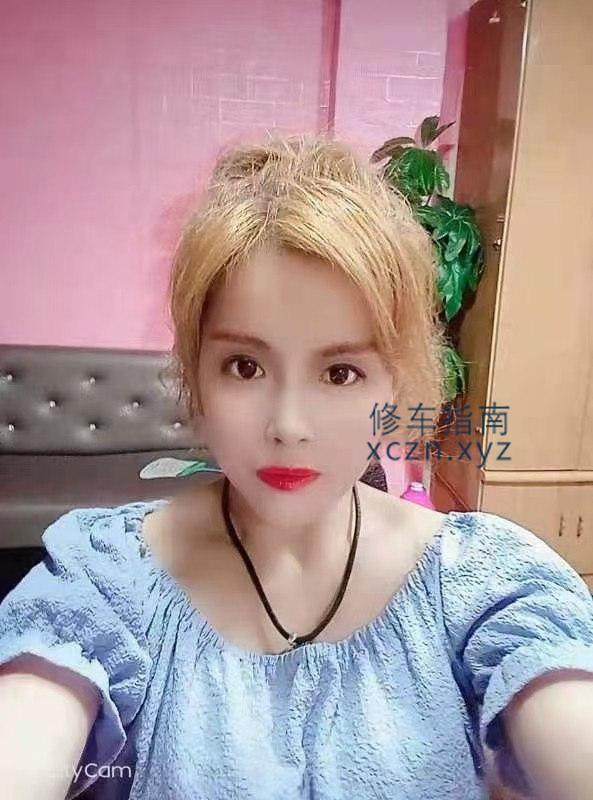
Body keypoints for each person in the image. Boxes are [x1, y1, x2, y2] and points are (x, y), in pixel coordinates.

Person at [1, 134, 593, 800]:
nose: (287, 425)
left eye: (339, 373)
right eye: (244, 367)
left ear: (393, 384)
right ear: (196, 373)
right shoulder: (108, 578)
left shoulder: (481, 584)